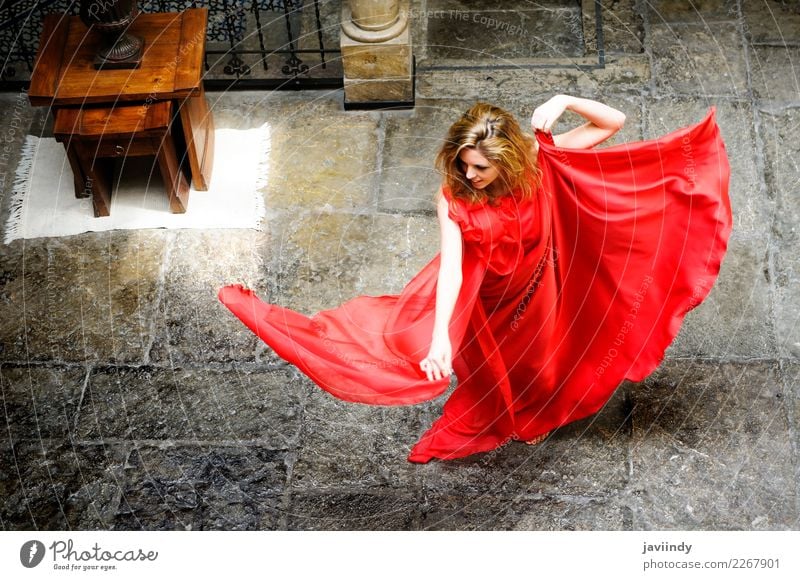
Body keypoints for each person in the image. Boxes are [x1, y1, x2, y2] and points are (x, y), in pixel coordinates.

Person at [218, 95, 732, 464]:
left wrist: (565, 100)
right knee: (501, 365)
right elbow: (452, 270)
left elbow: (612, 122)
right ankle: (514, 413)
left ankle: (536, 412)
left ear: (506, 160)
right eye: (463, 165)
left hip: (546, 280)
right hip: (489, 300)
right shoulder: (453, 199)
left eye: (480, 167)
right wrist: (442, 335)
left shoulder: (532, 160)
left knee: (550, 356)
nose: (470, 176)